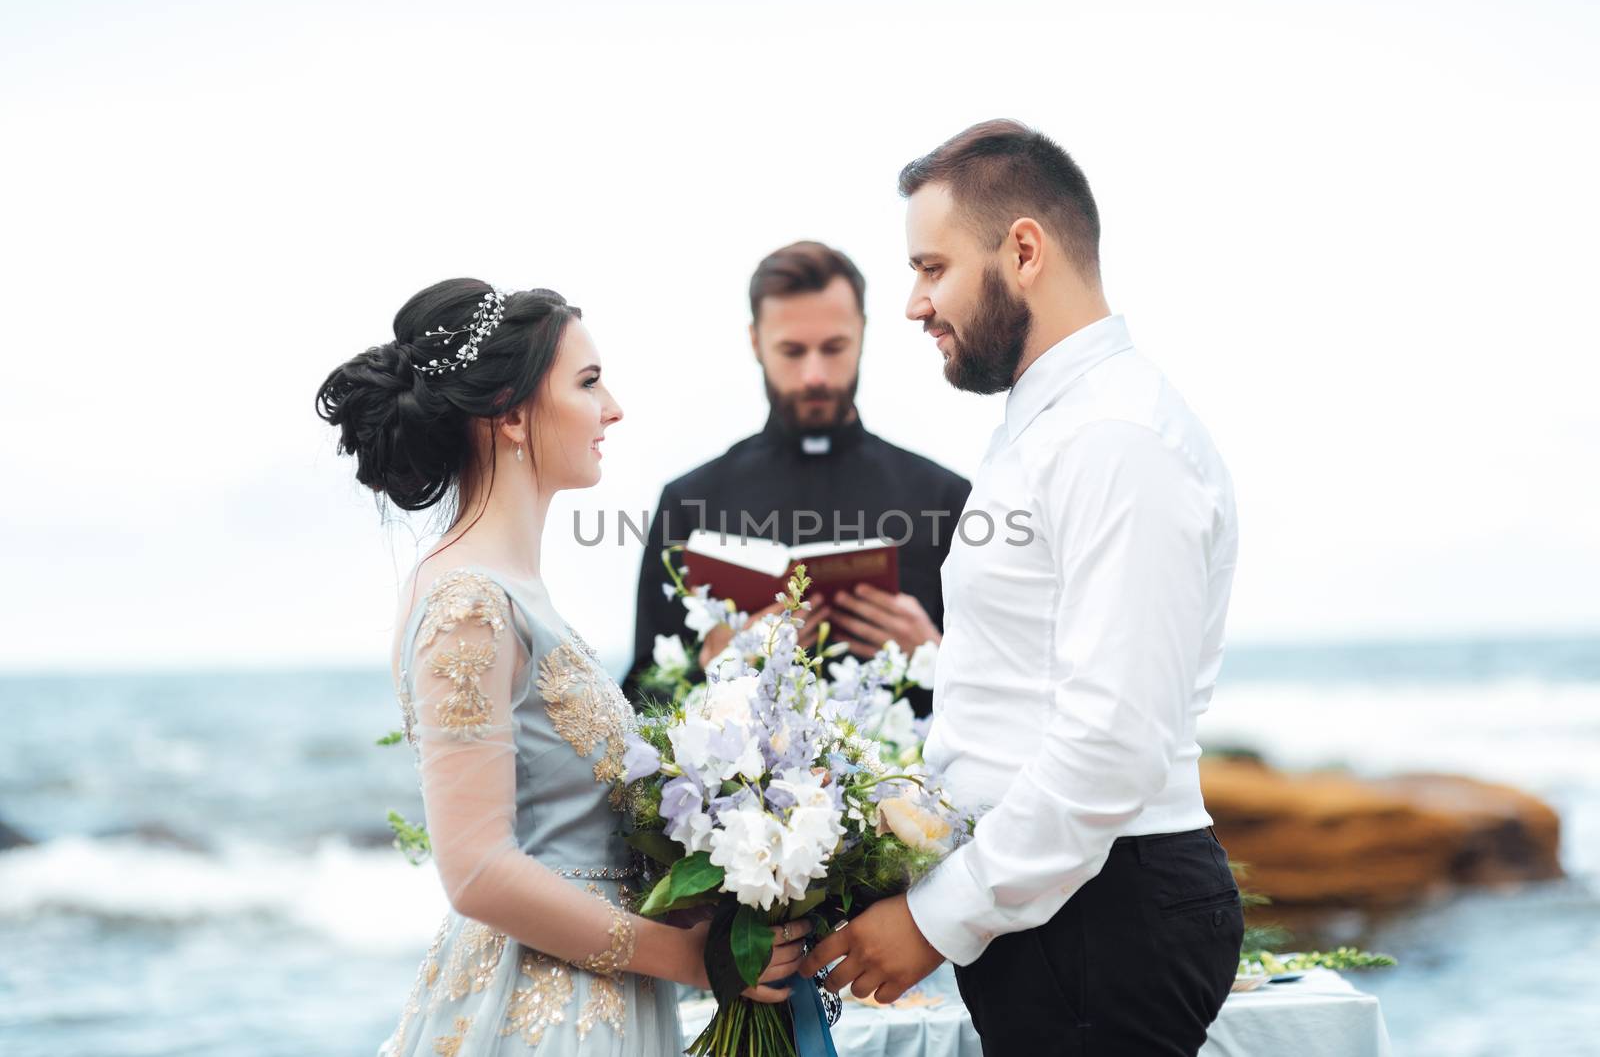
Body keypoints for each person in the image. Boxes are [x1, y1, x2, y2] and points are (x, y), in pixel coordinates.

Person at [801, 121, 1245, 1056]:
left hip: (1104, 916)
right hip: (1063, 911)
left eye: (932, 267)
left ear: (1025, 250)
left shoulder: (1113, 438)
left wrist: (938, 917)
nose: (917, 304)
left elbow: (1111, 744)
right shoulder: (1047, 427)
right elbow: (1015, 691)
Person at [316, 279, 810, 1055]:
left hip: (601, 994)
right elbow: (477, 870)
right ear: (511, 414)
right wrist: (691, 959)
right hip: (546, 1013)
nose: (613, 408)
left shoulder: (518, 594)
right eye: (587, 383)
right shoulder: (469, 606)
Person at [627, 241, 971, 715]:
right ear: (755, 342)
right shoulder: (690, 501)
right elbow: (640, 700)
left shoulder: (945, 496)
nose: (814, 375)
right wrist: (720, 664)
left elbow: (1007, 692)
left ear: (863, 334)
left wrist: (935, 653)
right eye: (792, 350)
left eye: (834, 348)